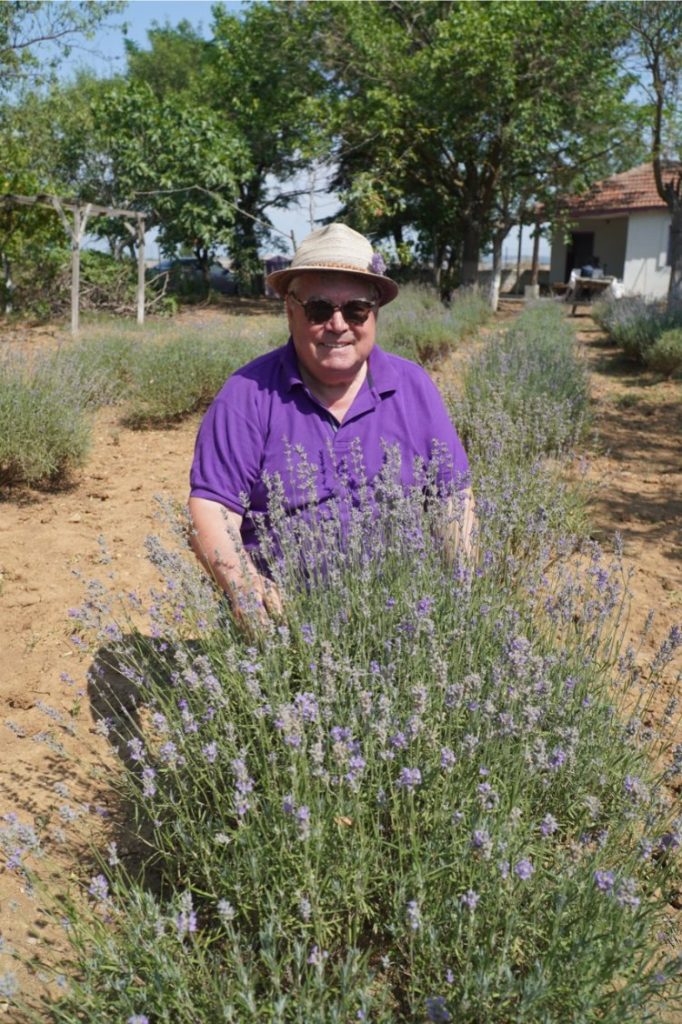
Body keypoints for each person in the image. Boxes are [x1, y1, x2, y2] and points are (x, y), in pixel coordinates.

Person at [188, 223, 474, 622]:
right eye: (319, 309)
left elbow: (452, 500)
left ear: (374, 313)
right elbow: (212, 506)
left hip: (403, 624)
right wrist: (245, 588)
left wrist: (462, 597)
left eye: (356, 309)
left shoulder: (414, 387)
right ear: (290, 310)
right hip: (287, 627)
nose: (338, 325)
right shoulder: (246, 394)